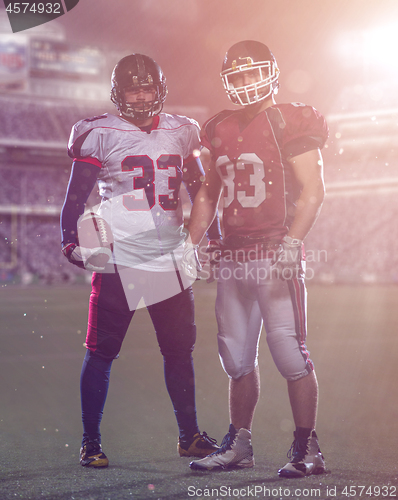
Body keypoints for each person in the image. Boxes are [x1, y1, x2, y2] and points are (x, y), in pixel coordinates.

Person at [60, 53, 221, 468]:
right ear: (119, 93)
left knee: (179, 352)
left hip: (169, 257)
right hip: (120, 259)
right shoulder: (100, 132)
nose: (141, 95)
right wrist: (68, 240)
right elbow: (75, 195)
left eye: (147, 87)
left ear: (159, 88)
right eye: (133, 88)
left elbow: (202, 189)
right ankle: (90, 441)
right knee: (101, 352)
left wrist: (214, 236)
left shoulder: (182, 131)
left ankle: (189, 437)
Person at [185, 41, 329, 477]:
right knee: (236, 357)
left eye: (253, 74)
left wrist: (292, 242)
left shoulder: (290, 119)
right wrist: (190, 244)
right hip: (233, 256)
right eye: (239, 76)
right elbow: (209, 192)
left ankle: (308, 449)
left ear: (271, 72)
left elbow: (313, 189)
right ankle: (239, 445)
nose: (247, 83)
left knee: (289, 353)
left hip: (274, 253)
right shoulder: (216, 127)